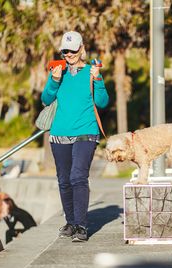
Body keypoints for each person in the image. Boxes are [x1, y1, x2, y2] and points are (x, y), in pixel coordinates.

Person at [41, 31, 109, 242]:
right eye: (65, 50)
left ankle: (81, 225)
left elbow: (103, 102)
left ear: (81, 49)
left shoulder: (91, 71)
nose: (68, 54)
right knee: (64, 181)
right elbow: (45, 99)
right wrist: (53, 80)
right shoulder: (57, 72)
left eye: (72, 50)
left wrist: (98, 79)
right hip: (59, 134)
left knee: (77, 176)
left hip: (86, 132)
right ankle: (70, 222)